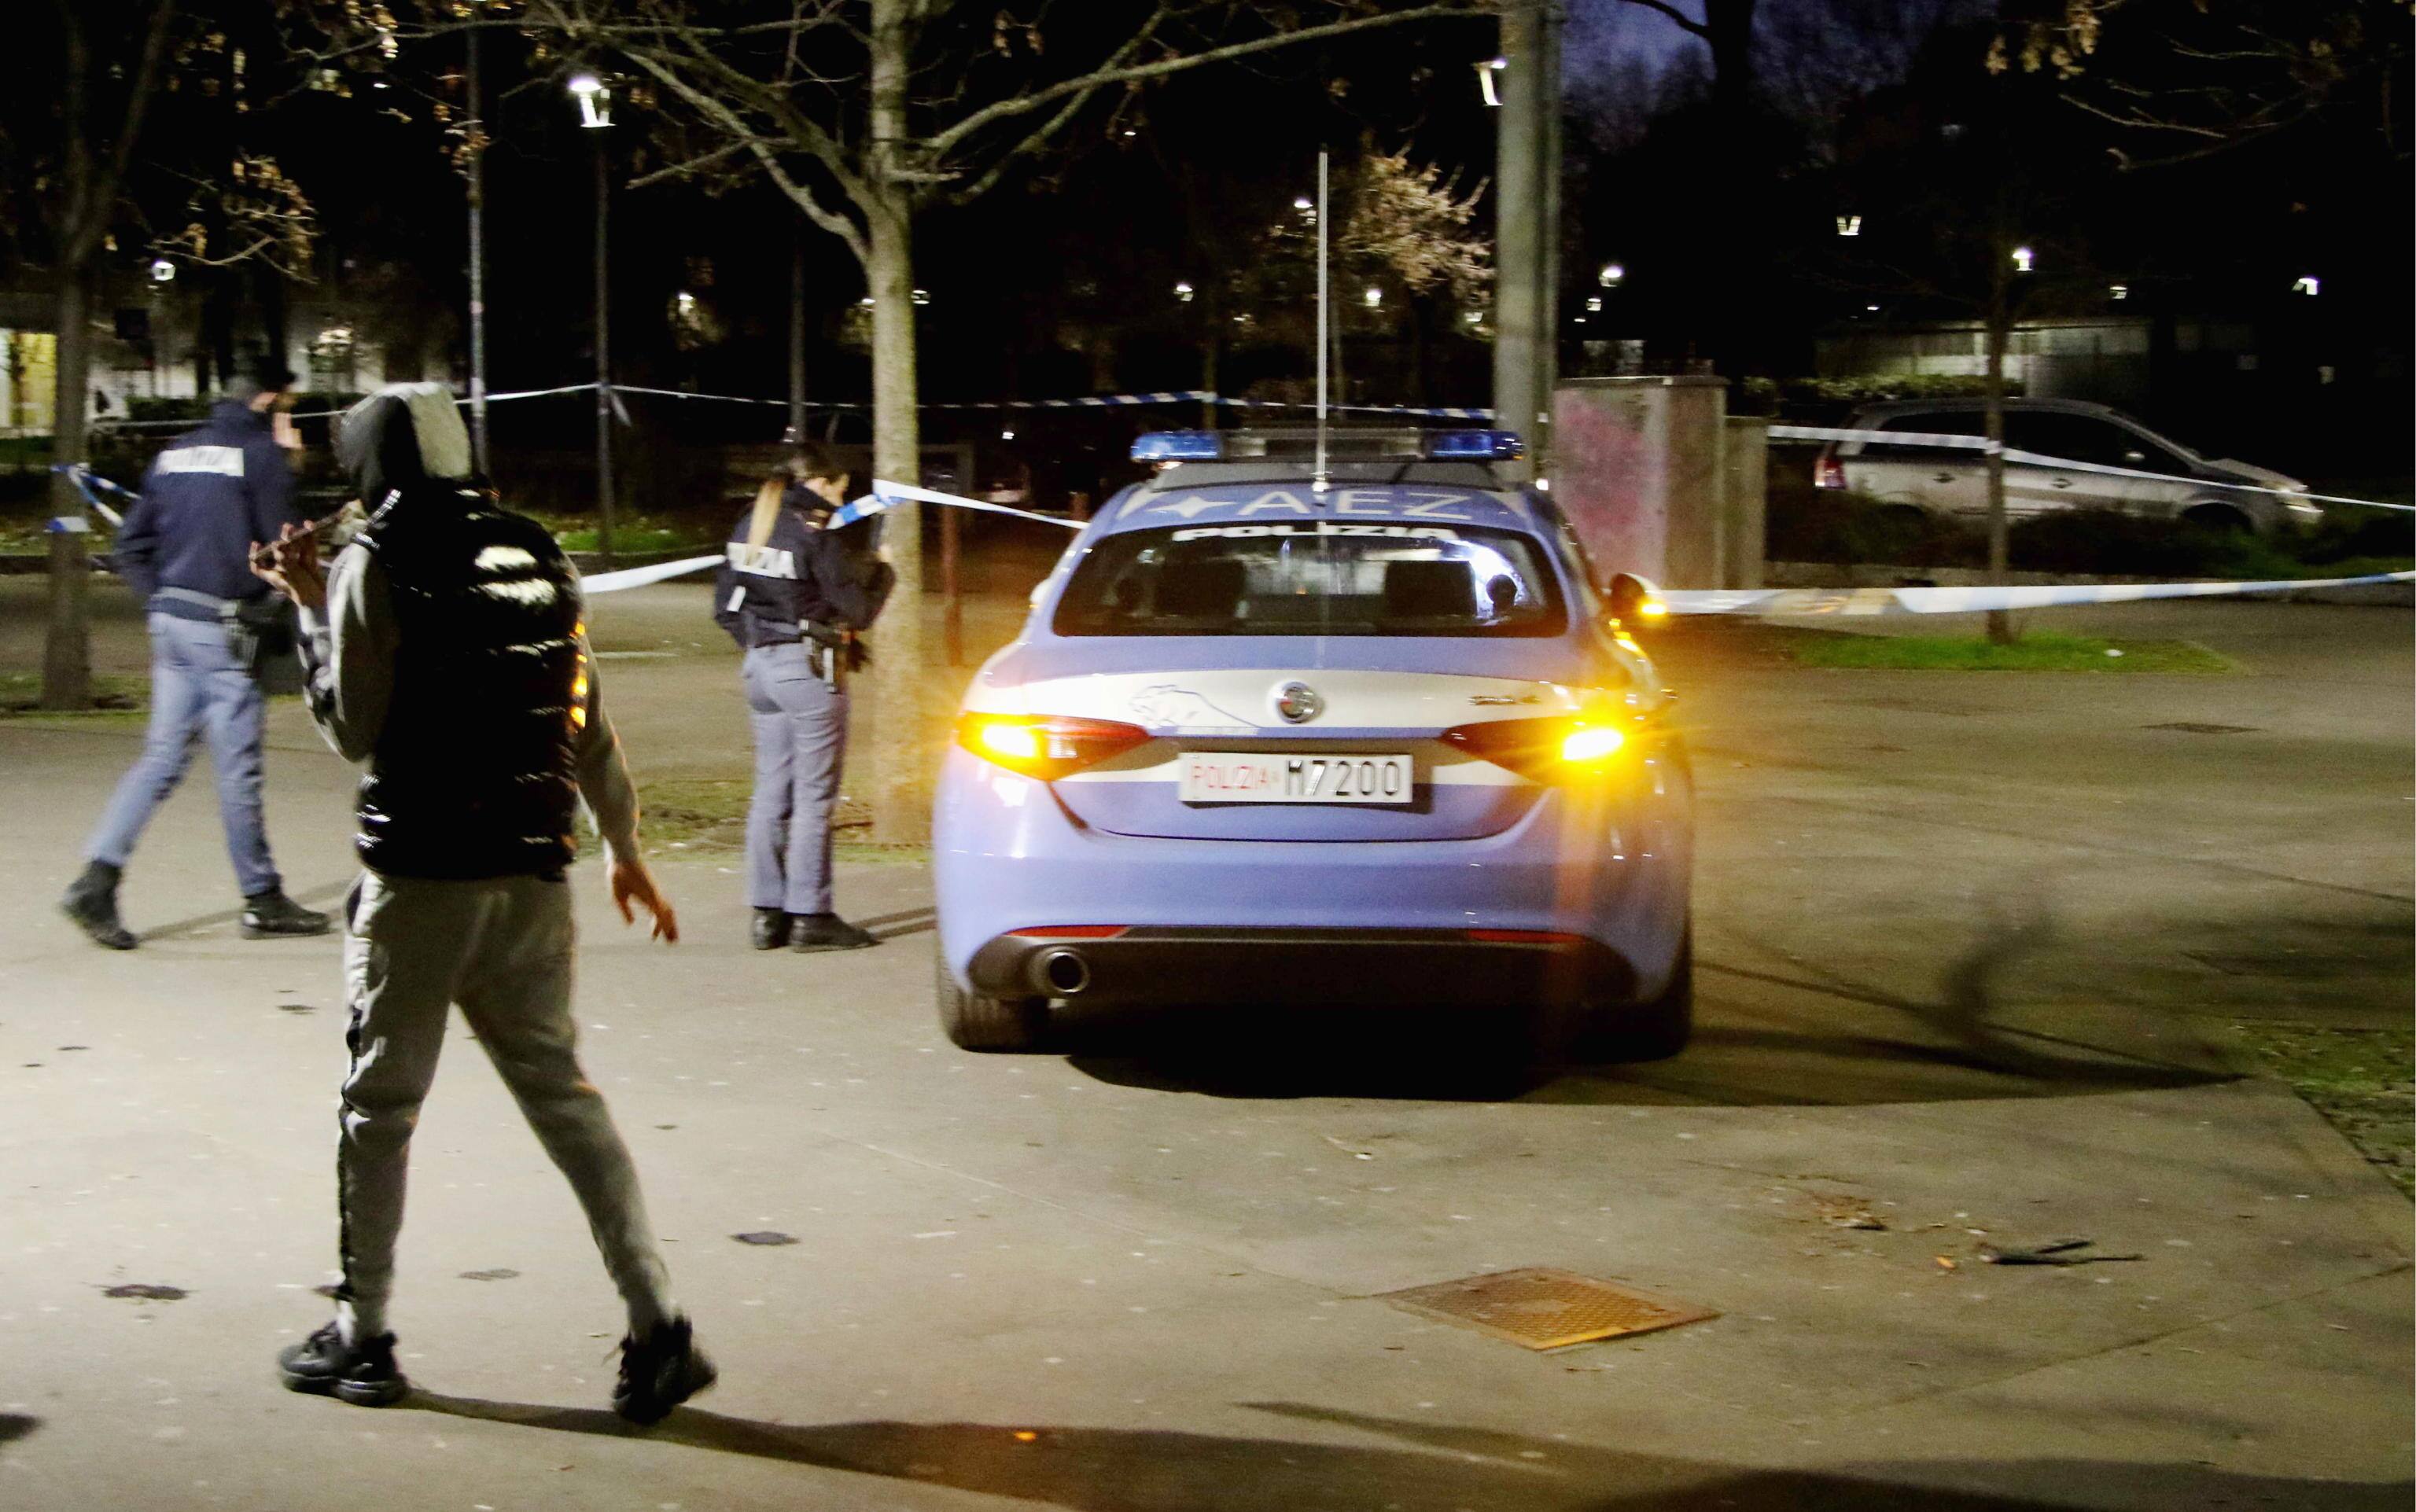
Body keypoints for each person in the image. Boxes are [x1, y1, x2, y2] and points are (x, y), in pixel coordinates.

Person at [250, 381, 713, 1423]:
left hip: (421, 879)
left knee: (380, 1109)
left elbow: (354, 728)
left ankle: (363, 1334)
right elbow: (583, 711)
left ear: (369, 464)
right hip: (532, 876)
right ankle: (660, 1323)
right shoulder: (539, 551)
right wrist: (624, 844)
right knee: (565, 1098)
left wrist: (310, 608)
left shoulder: (375, 557)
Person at [61, 363, 328, 950]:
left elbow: (129, 544)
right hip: (222, 629)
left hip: (172, 623)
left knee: (160, 758)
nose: (293, 425)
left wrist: (160, 599)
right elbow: (286, 548)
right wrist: (290, 471)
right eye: (288, 411)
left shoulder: (176, 453)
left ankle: (96, 880)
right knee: (238, 769)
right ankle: (262, 900)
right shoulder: (260, 458)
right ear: (267, 401)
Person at [713, 448, 895, 952]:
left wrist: (759, 642)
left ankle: (767, 915)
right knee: (815, 798)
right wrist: (883, 572)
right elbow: (856, 610)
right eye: (839, 490)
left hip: (761, 668)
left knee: (772, 793)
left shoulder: (750, 523)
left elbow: (724, 607)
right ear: (819, 483)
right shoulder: (813, 531)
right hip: (809, 670)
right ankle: (811, 916)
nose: (841, 500)